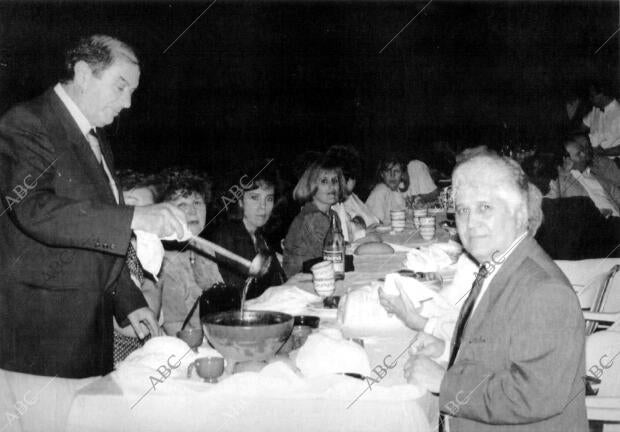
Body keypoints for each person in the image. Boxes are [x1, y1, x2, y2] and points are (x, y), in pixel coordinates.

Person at [0, 35, 187, 378]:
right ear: (84, 74)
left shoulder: (96, 137)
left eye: (132, 91)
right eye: (120, 87)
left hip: (91, 332)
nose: (128, 103)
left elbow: (94, 240)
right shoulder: (27, 122)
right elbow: (33, 209)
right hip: (43, 337)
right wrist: (137, 217)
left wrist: (127, 301)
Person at [404, 154, 587, 431]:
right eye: (463, 210)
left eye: (485, 207)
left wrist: (444, 381)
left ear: (519, 214)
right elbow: (499, 352)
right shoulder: (496, 264)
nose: (471, 222)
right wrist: (447, 354)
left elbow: (534, 395)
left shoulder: (544, 291)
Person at [158, 168, 223, 336]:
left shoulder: (206, 248)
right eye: (182, 205)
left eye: (197, 203)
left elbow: (221, 309)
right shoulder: (162, 259)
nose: (193, 211)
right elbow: (176, 329)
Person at [209, 162, 287, 300]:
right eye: (254, 198)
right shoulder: (227, 235)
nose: (263, 207)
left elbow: (278, 283)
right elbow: (238, 295)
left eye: (269, 199)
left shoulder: (260, 237)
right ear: (239, 201)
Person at [282, 158, 345, 276]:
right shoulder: (313, 218)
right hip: (299, 284)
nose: (332, 186)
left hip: (317, 277)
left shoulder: (333, 216)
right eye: (324, 181)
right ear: (311, 186)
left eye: (335, 180)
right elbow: (336, 259)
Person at [548, 134, 620, 217]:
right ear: (566, 159)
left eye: (582, 150)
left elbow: (615, 193)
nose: (584, 154)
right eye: (578, 154)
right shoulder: (562, 182)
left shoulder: (590, 174)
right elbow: (554, 205)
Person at [583, 79, 620, 162]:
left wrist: (602, 153)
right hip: (596, 159)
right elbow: (582, 127)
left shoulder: (618, 113)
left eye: (592, 96)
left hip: (613, 162)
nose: (590, 99)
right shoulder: (596, 109)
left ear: (603, 94)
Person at [365, 154, 408, 225]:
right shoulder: (380, 191)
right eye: (388, 171)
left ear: (402, 175)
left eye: (396, 171)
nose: (392, 175)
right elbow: (377, 224)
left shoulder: (397, 191)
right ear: (382, 174)